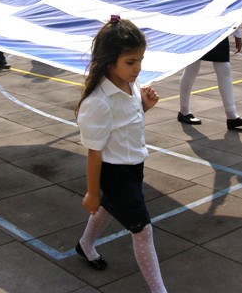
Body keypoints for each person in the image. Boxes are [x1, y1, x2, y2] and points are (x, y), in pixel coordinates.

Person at [75, 15, 167, 292]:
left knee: (110, 207)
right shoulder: (98, 102)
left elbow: (128, 122)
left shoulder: (131, 85)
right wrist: (92, 191)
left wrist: (145, 106)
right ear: (108, 60)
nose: (137, 68)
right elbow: (94, 152)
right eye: (130, 62)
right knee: (142, 229)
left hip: (134, 165)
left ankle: (84, 244)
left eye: (140, 61)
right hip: (114, 172)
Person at [177, 28, 242, 129]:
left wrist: (238, 34)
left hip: (218, 29)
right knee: (192, 69)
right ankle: (184, 111)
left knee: (224, 68)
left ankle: (232, 115)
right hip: (197, 28)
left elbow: (234, 11)